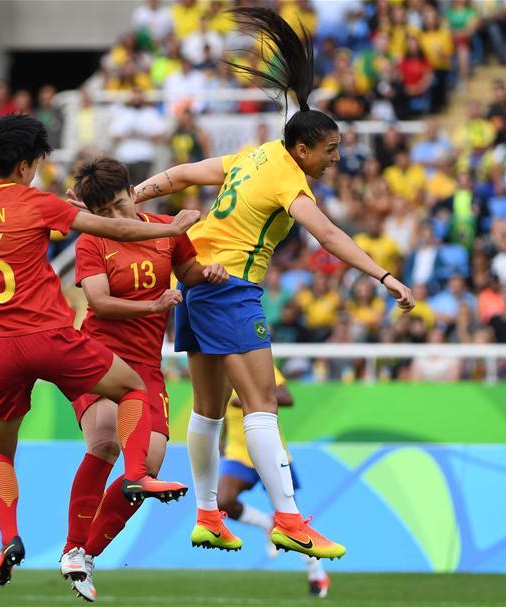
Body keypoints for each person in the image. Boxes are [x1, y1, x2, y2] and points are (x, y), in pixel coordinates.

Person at [131, 7, 415, 560]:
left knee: (209, 409)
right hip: (231, 286)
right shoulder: (289, 178)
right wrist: (383, 275)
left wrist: (134, 198)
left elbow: (184, 174)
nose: (335, 160)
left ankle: (209, 514)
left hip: (193, 280)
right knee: (262, 404)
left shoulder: (255, 156)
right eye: (329, 151)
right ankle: (289, 520)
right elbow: (329, 236)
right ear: (304, 149)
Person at [0, 114, 201, 587]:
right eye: (37, 162)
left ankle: (8, 538)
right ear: (23, 165)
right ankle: (136, 475)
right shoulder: (38, 203)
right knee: (132, 389)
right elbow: (112, 231)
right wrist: (170, 228)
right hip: (52, 339)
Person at [60, 157, 228, 601]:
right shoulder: (94, 239)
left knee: (148, 467)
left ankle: (85, 556)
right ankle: (71, 546)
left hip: (145, 367)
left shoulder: (164, 230)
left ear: (133, 192)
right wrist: (154, 307)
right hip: (96, 355)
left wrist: (207, 273)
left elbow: (188, 272)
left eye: (120, 204)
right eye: (107, 212)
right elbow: (99, 301)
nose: (117, 217)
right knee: (104, 441)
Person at [217, 367, 330, 598]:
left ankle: (316, 573)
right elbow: (219, 410)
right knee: (223, 501)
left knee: (291, 519)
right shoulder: (216, 370)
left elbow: (287, 398)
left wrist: (251, 399)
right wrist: (220, 439)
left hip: (271, 451)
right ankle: (267, 524)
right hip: (239, 452)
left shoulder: (260, 364)